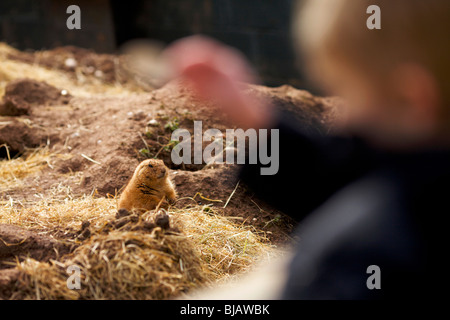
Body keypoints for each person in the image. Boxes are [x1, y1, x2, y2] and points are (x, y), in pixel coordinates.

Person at [165, 0, 450, 299]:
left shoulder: (368, 254)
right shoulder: (421, 173)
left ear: (411, 100)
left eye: (347, 93)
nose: (343, 116)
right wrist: (258, 119)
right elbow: (352, 176)